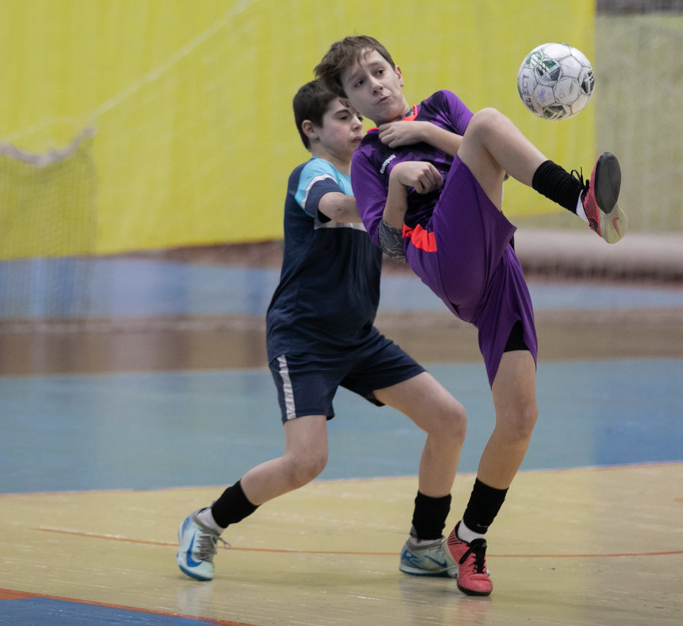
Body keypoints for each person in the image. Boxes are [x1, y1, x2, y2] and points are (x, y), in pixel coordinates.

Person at [315, 36, 626, 596]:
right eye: (359, 84)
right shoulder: (368, 158)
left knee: (520, 418)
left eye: (379, 71)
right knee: (486, 122)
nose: (375, 86)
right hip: (441, 253)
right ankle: (582, 203)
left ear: (399, 72)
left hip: (496, 266)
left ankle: (469, 537)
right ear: (350, 103)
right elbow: (388, 243)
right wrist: (398, 182)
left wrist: (428, 134)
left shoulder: (438, 107)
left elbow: (493, 160)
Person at [177, 80, 467, 583]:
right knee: (306, 461)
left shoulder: (374, 174)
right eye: (342, 116)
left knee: (449, 419)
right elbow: (335, 207)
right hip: (303, 339)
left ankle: (423, 544)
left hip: (359, 338)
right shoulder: (314, 173)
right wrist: (395, 184)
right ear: (311, 129)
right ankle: (207, 522)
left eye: (358, 115)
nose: (357, 123)